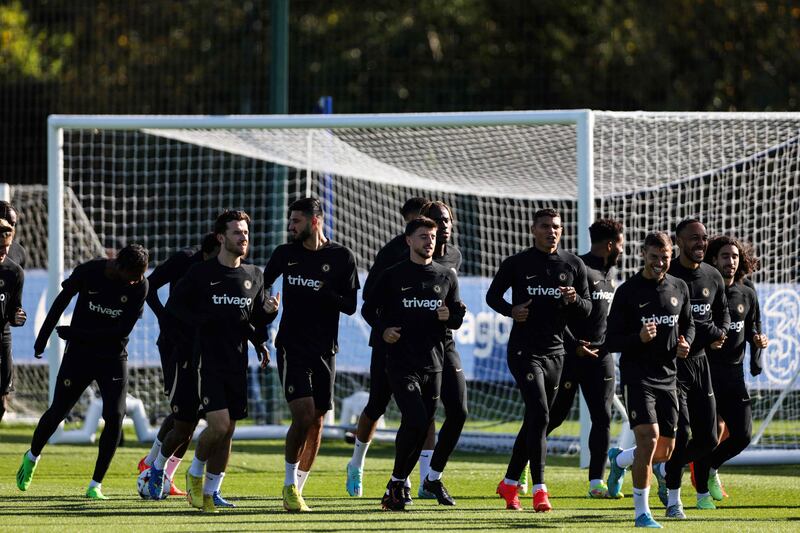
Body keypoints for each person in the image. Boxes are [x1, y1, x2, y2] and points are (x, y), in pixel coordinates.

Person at [17, 244, 149, 499]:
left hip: (112, 356)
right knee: (59, 411)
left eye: (139, 277)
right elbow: (61, 300)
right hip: (80, 354)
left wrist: (75, 333)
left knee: (115, 416)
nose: (136, 282)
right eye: (132, 276)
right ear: (118, 265)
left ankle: (95, 485)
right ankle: (32, 456)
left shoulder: (140, 286)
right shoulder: (90, 271)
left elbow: (120, 332)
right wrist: (43, 338)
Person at [166, 210, 275, 513]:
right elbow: (175, 305)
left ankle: (213, 491)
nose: (244, 238)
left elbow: (251, 318)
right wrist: (202, 322)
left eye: (246, 233)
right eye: (237, 232)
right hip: (207, 361)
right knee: (219, 424)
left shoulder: (254, 274)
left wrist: (267, 319)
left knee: (228, 431)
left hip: (237, 362)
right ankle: (194, 473)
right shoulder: (202, 273)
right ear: (221, 237)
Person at [486, 208, 591, 512]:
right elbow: (493, 296)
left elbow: (585, 309)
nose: (551, 231)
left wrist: (575, 300)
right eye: (545, 226)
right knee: (542, 415)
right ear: (533, 230)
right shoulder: (517, 263)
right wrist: (511, 310)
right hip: (524, 351)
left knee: (536, 419)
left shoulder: (573, 264)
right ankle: (540, 489)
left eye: (556, 227)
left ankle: (508, 483)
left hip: (557, 354)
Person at [361, 216, 465, 511]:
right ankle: (397, 482)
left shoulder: (447, 276)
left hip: (434, 363)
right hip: (401, 362)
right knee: (417, 420)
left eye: (432, 236)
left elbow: (456, 316)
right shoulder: (394, 275)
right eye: (423, 236)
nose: (429, 240)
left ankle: (396, 485)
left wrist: (451, 317)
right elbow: (369, 308)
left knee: (419, 427)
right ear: (408, 240)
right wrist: (383, 330)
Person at [263, 197, 359, 512]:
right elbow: (260, 288)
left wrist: (325, 291)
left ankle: (298, 489)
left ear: (314, 222)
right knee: (303, 415)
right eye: (290, 221)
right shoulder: (285, 254)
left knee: (317, 420)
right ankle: (289, 484)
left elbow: (350, 305)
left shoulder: (342, 257)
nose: (291, 227)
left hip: (325, 350)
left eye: (296, 221)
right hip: (292, 346)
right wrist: (266, 308)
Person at [605, 231, 694, 529]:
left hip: (669, 377)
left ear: (672, 254)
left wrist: (686, 344)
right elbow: (611, 339)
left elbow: (689, 325)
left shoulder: (679, 287)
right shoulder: (628, 291)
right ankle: (642, 513)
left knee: (665, 451)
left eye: (665, 257)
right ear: (643, 254)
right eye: (654, 256)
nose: (659, 262)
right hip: (637, 376)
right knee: (648, 438)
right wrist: (638, 338)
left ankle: (618, 461)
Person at [346, 197, 428, 502]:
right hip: (391, 344)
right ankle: (356, 462)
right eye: (417, 222)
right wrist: (384, 329)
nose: (428, 232)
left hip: (430, 349)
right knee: (378, 404)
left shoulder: (448, 255)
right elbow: (369, 299)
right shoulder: (393, 252)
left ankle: (425, 477)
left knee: (427, 412)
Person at [137, 233, 222, 500]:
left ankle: (161, 471)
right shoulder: (186, 259)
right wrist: (165, 318)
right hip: (176, 345)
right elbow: (148, 285)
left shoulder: (224, 267)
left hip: (204, 346)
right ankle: (152, 465)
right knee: (184, 410)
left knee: (191, 412)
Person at [546, 218, 624, 499]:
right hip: (570, 356)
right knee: (552, 417)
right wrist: (574, 345)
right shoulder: (578, 268)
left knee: (602, 418)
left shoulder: (611, 275)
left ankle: (596, 482)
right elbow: (557, 315)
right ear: (611, 244)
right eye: (621, 243)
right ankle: (523, 466)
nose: (623, 250)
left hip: (601, 358)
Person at [657, 218, 730, 515]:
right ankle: (674, 501)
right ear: (678, 242)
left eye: (704, 238)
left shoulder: (713, 276)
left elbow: (721, 312)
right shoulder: (667, 275)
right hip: (673, 366)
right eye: (694, 238)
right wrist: (707, 332)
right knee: (681, 432)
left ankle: (664, 469)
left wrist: (720, 333)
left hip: (701, 364)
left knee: (710, 438)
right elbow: (672, 319)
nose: (701, 243)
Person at [694, 236, 768, 499]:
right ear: (714, 259)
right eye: (725, 256)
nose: (731, 261)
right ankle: (701, 494)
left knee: (743, 435)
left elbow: (753, 329)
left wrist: (759, 340)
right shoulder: (705, 289)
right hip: (707, 373)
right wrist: (707, 341)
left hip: (734, 375)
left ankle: (710, 467)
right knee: (710, 436)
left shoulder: (747, 291)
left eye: (735, 256)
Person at [0, 202, 27, 422]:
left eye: (14, 223)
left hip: (3, 335)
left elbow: (14, 304)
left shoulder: (17, 255)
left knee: (2, 402)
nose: (13, 225)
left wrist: (17, 315)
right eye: (10, 220)